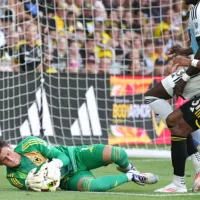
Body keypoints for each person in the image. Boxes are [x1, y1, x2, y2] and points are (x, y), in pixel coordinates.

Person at [144, 0, 200, 193]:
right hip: (196, 70)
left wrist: (186, 74)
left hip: (196, 72)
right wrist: (185, 51)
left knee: (178, 125)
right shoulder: (195, 10)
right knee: (154, 99)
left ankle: (179, 183)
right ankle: (196, 165)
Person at [0, 136, 158, 192]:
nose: (10, 159)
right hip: (67, 179)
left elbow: (61, 155)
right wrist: (44, 183)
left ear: (9, 146)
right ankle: (132, 176)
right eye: (4, 160)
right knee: (96, 187)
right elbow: (42, 188)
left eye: (8, 153)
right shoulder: (13, 177)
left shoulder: (29, 144)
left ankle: (128, 167)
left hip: (75, 155)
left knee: (119, 153)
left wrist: (56, 164)